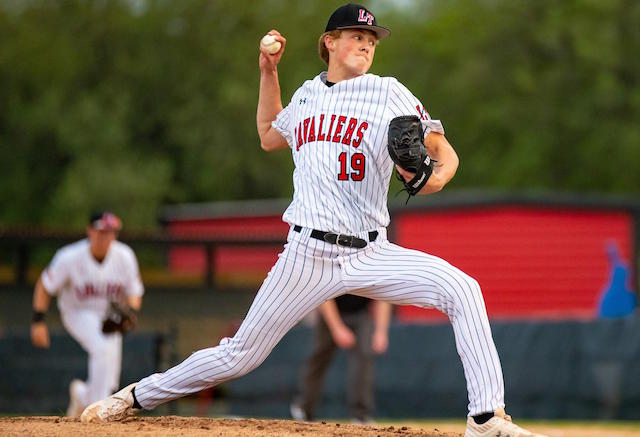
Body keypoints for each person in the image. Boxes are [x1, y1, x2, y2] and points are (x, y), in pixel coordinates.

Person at [81, 4, 547, 436]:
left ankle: (486, 418)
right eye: (356, 35)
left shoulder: (388, 91)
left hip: (370, 251)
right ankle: (135, 397)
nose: (366, 44)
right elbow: (267, 134)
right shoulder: (305, 96)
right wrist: (268, 72)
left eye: (372, 38)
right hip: (306, 254)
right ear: (329, 42)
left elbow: (445, 154)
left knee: (463, 289)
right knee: (240, 355)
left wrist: (433, 180)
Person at [31, 211, 144, 417]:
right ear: (90, 231)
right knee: (101, 348)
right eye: (101, 231)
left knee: (110, 375)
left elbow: (134, 292)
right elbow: (44, 285)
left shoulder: (124, 256)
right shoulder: (69, 256)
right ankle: (98, 411)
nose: (105, 237)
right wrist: (38, 320)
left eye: (111, 232)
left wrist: (131, 313)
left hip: (110, 316)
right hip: (77, 312)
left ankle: (83, 396)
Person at [290, 297, 391, 423]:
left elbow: (383, 298)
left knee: (364, 358)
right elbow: (324, 295)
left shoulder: (376, 276)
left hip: (360, 313)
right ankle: (304, 408)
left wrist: (381, 332)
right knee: (319, 357)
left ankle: (361, 415)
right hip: (332, 308)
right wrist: (337, 328)